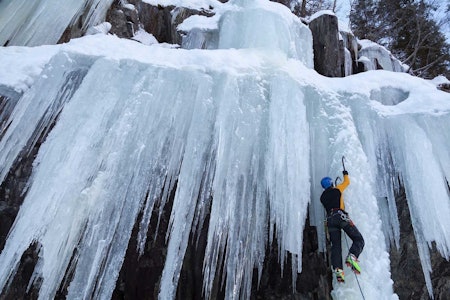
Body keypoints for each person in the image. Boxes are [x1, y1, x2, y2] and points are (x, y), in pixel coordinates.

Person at [320, 170, 364, 283]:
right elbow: (347, 182)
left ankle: (338, 270)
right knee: (358, 239)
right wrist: (345, 173)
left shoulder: (322, 198)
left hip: (330, 220)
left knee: (336, 246)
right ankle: (352, 256)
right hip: (340, 216)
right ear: (331, 183)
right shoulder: (337, 189)